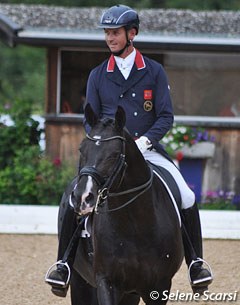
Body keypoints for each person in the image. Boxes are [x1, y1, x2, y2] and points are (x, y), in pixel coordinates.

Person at [45, 4, 213, 297]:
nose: (110, 38)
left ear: (131, 33)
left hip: (146, 149)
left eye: (115, 32)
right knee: (74, 194)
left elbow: (165, 117)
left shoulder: (154, 71)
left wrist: (143, 142)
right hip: (109, 152)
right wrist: (102, 142)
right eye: (107, 33)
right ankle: (63, 264)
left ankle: (196, 263)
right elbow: (90, 117)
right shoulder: (98, 74)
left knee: (185, 194)